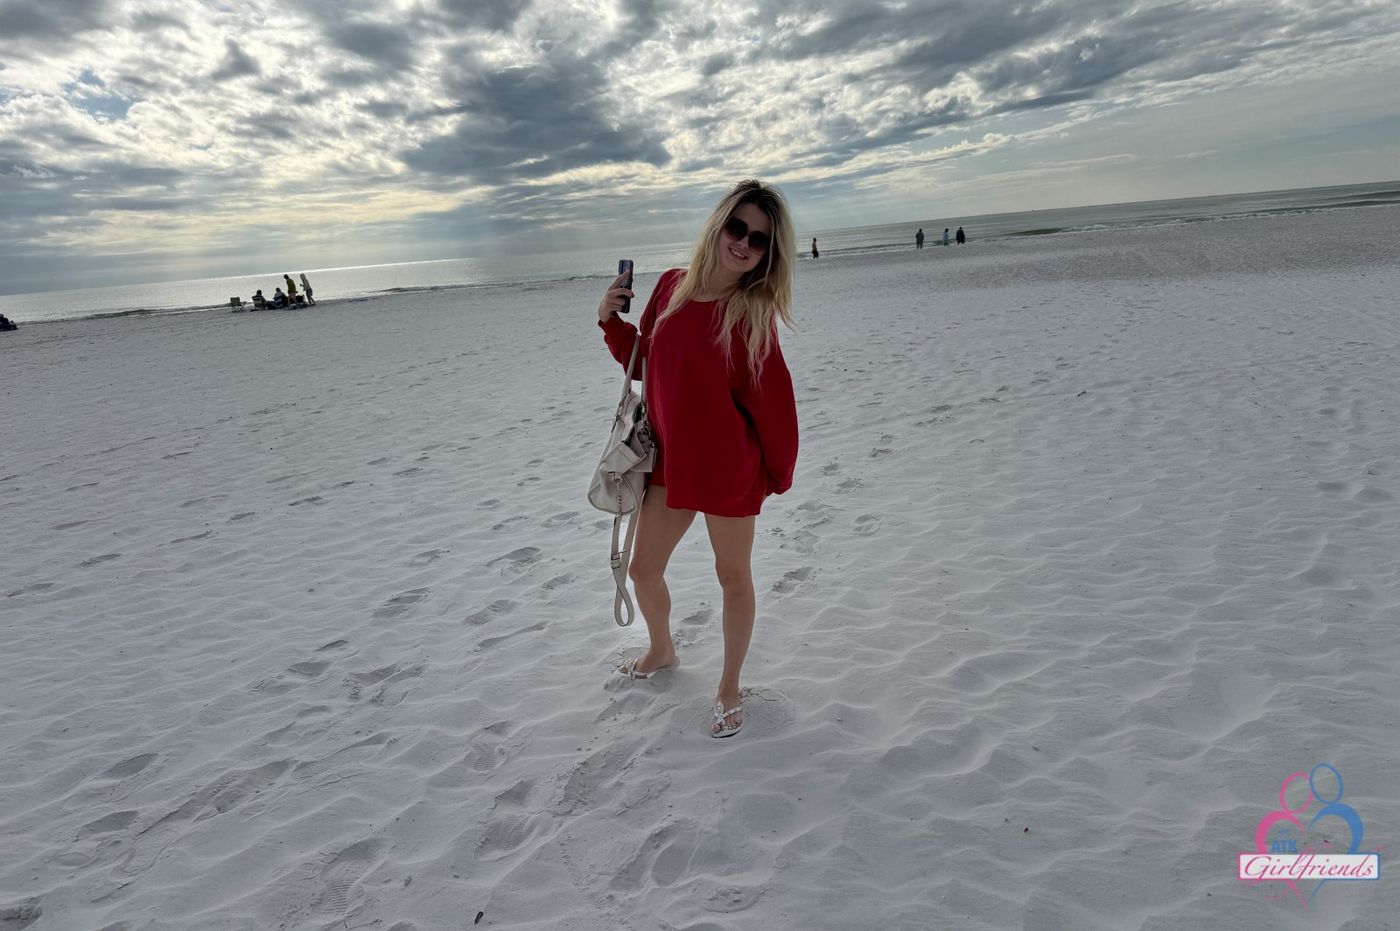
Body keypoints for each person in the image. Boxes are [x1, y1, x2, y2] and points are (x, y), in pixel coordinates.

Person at [596, 179, 799, 739]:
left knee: (732, 575)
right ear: (719, 224)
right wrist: (611, 323)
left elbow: (774, 404)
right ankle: (662, 650)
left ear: (767, 253)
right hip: (670, 463)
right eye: (737, 227)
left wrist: (776, 474)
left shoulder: (751, 314)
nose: (743, 243)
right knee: (642, 569)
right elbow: (649, 363)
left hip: (729, 471)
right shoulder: (670, 286)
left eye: (758, 240)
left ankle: (729, 687)